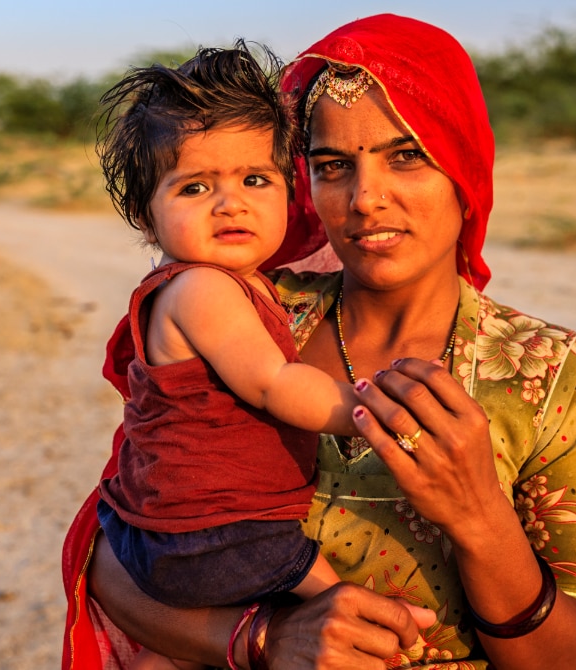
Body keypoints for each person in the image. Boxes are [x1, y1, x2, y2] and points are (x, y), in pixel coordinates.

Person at [64, 14, 576, 670]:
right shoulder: (252, 316)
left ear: (464, 167)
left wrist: (480, 520)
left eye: (407, 156)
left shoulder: (552, 371)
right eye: (332, 165)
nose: (365, 198)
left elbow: (571, 659)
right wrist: (261, 640)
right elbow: (117, 551)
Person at [91, 43, 386, 668]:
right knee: (329, 593)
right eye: (195, 187)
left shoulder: (248, 283)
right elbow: (273, 384)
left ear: (289, 192)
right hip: (210, 534)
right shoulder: (202, 288)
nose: (231, 203)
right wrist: (369, 412)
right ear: (147, 219)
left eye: (255, 179)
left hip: (169, 531)